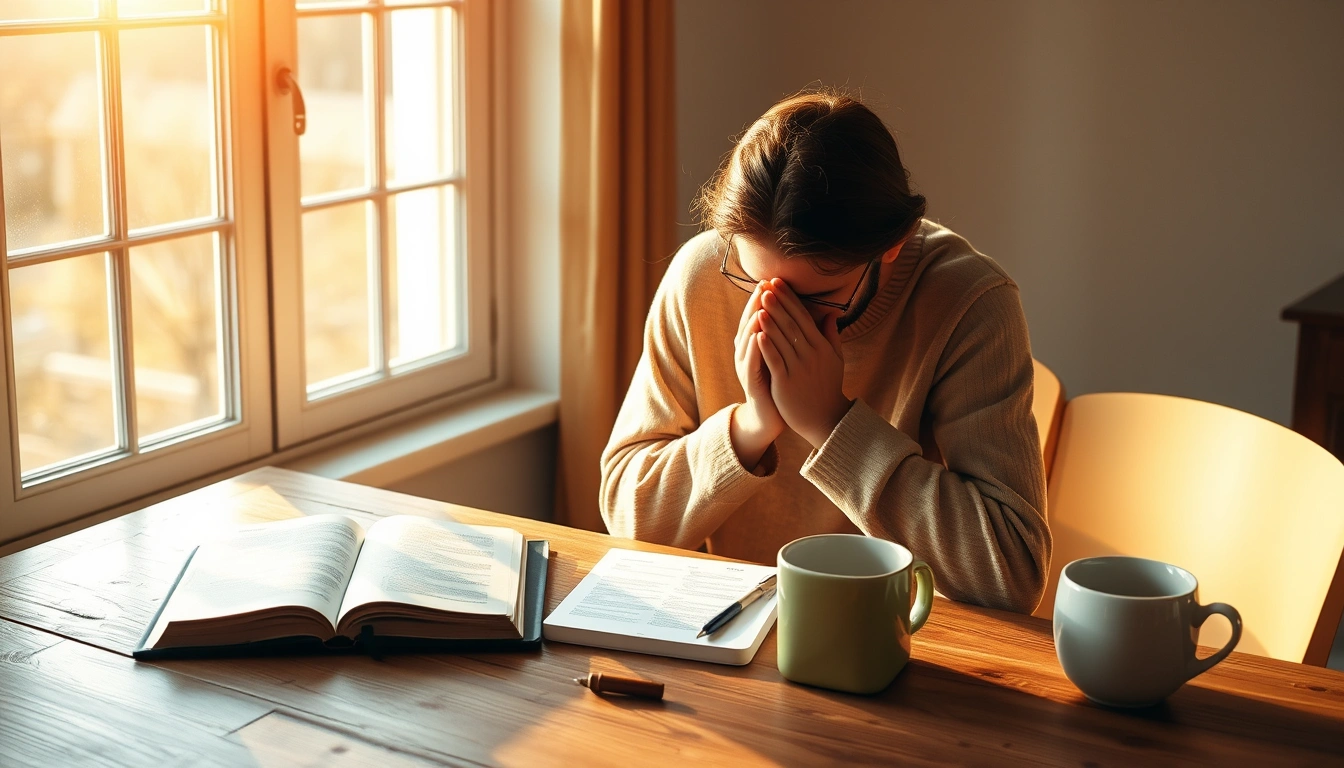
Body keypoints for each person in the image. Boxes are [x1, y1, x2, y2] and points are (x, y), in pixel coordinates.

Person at [599, 90, 1051, 613]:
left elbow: (1013, 572)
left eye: (815, 297)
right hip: (726, 629)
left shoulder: (969, 302)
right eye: (750, 280)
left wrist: (832, 424)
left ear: (893, 246)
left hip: (889, 634)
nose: (775, 315)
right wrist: (749, 427)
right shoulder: (701, 275)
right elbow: (627, 519)